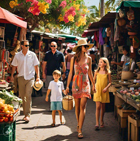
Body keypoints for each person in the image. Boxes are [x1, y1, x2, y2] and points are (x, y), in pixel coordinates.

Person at [66, 39, 94, 139]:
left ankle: (80, 129)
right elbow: (70, 73)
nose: (86, 48)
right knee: (77, 107)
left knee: (83, 106)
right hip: (76, 84)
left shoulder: (89, 59)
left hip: (86, 84)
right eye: (84, 46)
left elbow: (90, 73)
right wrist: (67, 86)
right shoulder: (74, 58)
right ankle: (79, 124)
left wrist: (93, 84)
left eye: (87, 46)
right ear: (80, 48)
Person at [10, 40, 40, 122]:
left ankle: (27, 114)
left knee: (28, 95)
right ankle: (24, 112)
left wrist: (38, 77)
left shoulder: (32, 55)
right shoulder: (17, 55)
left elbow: (36, 66)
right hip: (21, 77)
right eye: (26, 45)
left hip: (30, 78)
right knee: (22, 96)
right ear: (22, 46)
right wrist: (12, 76)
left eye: (28, 45)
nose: (27, 47)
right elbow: (13, 66)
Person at [93, 57, 111, 130]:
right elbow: (93, 81)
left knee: (103, 108)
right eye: (99, 62)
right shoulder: (96, 71)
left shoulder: (108, 72)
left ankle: (101, 120)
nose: (99, 63)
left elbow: (110, 82)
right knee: (98, 107)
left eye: (101, 62)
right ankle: (97, 123)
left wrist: (106, 88)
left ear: (105, 63)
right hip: (97, 90)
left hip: (104, 91)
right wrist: (93, 87)